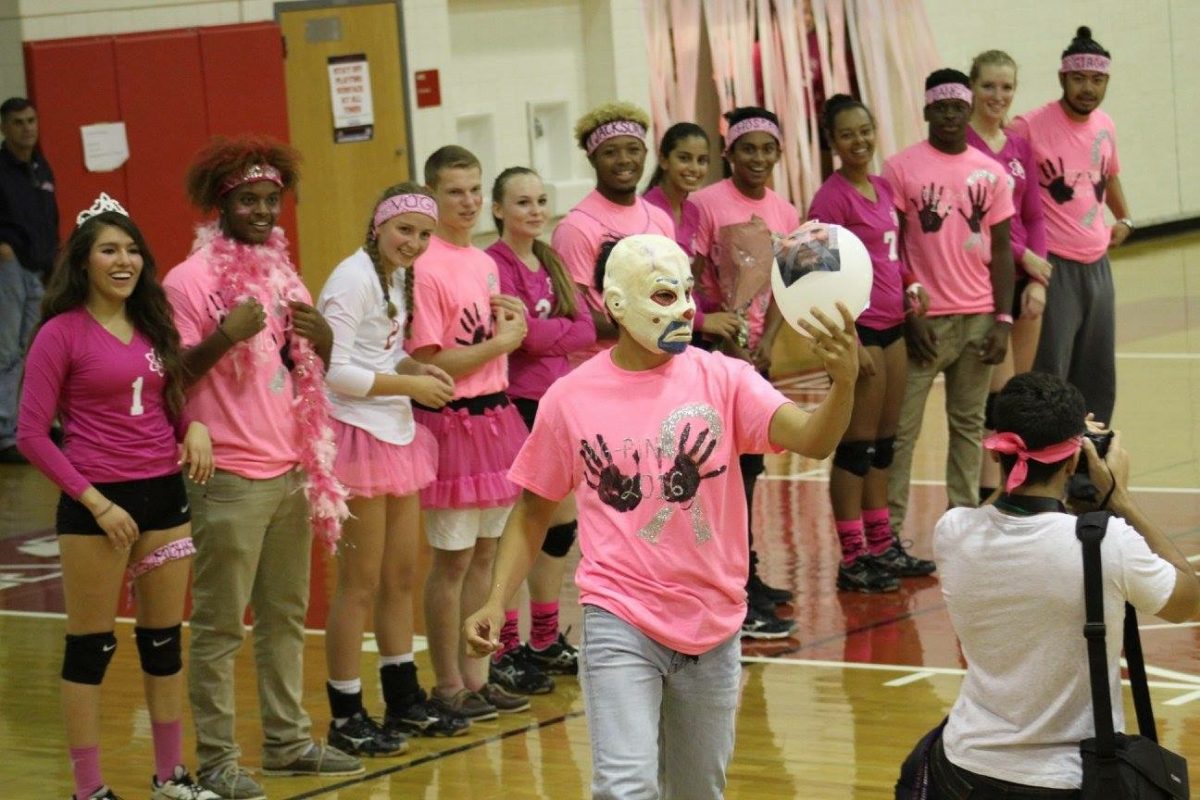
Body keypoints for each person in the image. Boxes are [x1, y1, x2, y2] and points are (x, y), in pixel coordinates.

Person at [464, 233, 858, 798]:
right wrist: (496, 600)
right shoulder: (569, 398)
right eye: (666, 296)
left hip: (713, 622)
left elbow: (814, 440)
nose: (688, 309)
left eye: (689, 294)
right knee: (626, 787)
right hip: (619, 615)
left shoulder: (725, 378)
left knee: (698, 790)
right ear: (617, 304)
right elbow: (532, 510)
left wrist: (842, 384)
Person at [163, 135, 361, 799]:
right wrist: (225, 334)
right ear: (221, 204)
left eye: (272, 199)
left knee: (285, 617)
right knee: (220, 626)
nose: (262, 210)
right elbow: (170, 378)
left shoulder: (284, 272)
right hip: (228, 477)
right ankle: (217, 760)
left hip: (291, 470)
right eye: (248, 199)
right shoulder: (188, 281)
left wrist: (326, 342)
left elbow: (301, 369)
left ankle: (287, 742)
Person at [896, 371, 1199, 798]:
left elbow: (1002, 505)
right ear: (1075, 460)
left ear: (999, 450)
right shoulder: (1106, 544)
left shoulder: (953, 532)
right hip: (1065, 781)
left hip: (964, 770)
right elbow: (1190, 603)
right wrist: (1121, 499)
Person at [17, 194, 217, 800]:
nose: (123, 260)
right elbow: (30, 434)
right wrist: (96, 502)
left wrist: (194, 427)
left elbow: (166, 400)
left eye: (132, 249)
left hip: (163, 497)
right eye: (109, 249)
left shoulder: (153, 323)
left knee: (163, 644)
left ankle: (169, 776)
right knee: (91, 648)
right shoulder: (59, 334)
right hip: (96, 506)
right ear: (83, 261)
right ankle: (89, 788)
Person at [318, 183, 470, 755]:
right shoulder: (352, 278)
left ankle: (402, 697)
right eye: (404, 229)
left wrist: (415, 372)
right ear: (378, 225)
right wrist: (409, 384)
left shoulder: (398, 278)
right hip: (356, 435)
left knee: (402, 576)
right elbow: (333, 371)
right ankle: (346, 710)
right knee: (359, 584)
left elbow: (377, 355)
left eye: (425, 234)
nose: (414, 242)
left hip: (396, 431)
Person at [406, 145, 531, 722]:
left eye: (476, 189)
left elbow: (488, 340)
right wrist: (501, 345)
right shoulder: (424, 265)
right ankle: (448, 683)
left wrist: (512, 330)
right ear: (432, 195)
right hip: (451, 424)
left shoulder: (483, 261)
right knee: (451, 562)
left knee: (487, 555)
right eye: (456, 191)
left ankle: (480, 678)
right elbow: (429, 361)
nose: (470, 201)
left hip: (495, 416)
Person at [883, 69, 1016, 551]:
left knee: (969, 426)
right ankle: (890, 533)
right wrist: (909, 311)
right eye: (940, 107)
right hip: (925, 322)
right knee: (902, 430)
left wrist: (1004, 320)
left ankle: (960, 524)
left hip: (980, 317)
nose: (949, 116)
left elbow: (1002, 250)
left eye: (957, 107)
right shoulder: (900, 168)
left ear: (968, 111)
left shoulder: (991, 171)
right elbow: (891, 244)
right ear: (926, 111)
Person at [808, 95, 929, 593]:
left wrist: (911, 285)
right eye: (847, 135)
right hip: (858, 332)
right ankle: (852, 555)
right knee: (856, 449)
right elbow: (813, 270)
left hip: (894, 324)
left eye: (865, 130)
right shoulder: (830, 198)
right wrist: (847, 337)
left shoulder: (882, 188)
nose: (858, 141)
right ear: (833, 142)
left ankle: (882, 545)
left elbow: (892, 256)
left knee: (884, 448)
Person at [484, 167, 595, 694]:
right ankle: (503, 643)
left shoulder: (549, 258)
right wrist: (543, 335)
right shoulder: (494, 265)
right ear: (499, 210)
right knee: (517, 525)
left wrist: (536, 331)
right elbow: (516, 340)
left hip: (558, 403)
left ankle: (545, 639)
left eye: (540, 200)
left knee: (561, 524)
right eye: (522, 202)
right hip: (515, 405)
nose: (534, 210)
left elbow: (586, 327)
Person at [691, 105, 801, 635]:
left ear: (778, 153)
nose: (757, 158)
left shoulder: (786, 210)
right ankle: (726, 581)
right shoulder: (704, 204)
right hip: (714, 355)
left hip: (757, 359)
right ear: (729, 153)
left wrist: (769, 345)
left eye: (767, 148)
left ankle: (747, 574)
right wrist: (719, 332)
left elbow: (787, 282)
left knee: (751, 470)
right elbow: (691, 277)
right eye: (747, 148)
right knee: (720, 471)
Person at [1008, 26, 1130, 424]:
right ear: (1063, 78)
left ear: (1107, 81)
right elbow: (1000, 179)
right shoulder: (1028, 126)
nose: (1088, 88)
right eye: (1079, 79)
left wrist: (1124, 217)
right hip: (1054, 265)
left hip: (1098, 265)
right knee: (1051, 370)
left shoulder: (1105, 125)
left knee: (1096, 372)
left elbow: (1109, 174)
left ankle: (1088, 462)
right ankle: (1046, 459)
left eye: (1097, 80)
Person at [966, 50, 1050, 502]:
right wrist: (1023, 257)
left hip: (1026, 281)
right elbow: (976, 223)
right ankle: (988, 495)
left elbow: (1035, 216)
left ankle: (1014, 492)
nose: (998, 96)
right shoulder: (961, 142)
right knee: (996, 402)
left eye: (1006, 87)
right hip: (987, 279)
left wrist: (1038, 276)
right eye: (988, 86)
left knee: (1017, 397)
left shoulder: (1018, 143)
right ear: (972, 87)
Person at [551, 102, 674, 368]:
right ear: (592, 159)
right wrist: (646, 327)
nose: (624, 160)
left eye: (633, 150)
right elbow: (575, 312)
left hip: (658, 359)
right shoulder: (576, 227)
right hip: (601, 365)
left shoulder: (661, 219)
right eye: (610, 152)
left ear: (645, 153)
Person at [642, 122, 742, 347]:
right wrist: (702, 321)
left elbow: (688, 282)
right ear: (664, 160)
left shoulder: (692, 211)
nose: (694, 168)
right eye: (684, 158)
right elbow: (653, 288)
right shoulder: (648, 212)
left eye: (702, 160)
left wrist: (715, 307)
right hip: (660, 332)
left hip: (686, 325)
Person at [0, 97, 59, 464]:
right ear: (5, 128)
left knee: (33, 349)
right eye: (19, 122)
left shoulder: (40, 166)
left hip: (41, 268)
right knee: (6, 351)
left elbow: (50, 216)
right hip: (10, 268)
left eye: (32, 120)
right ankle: (5, 432)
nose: (27, 128)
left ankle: (31, 425)